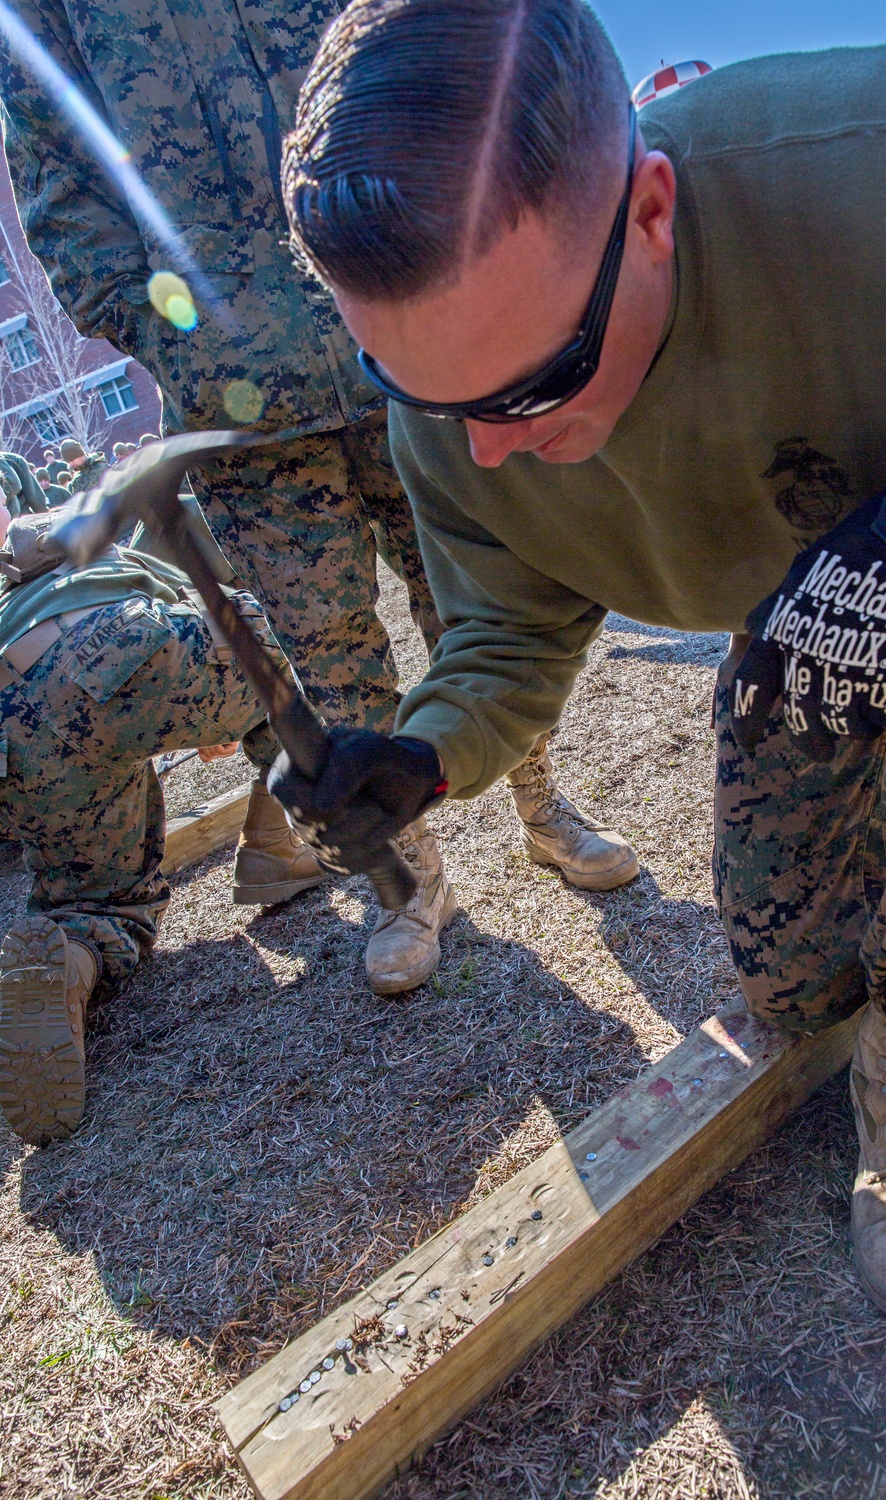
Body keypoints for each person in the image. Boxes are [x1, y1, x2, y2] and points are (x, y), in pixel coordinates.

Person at [276, 6, 886, 1328]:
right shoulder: (457, 416)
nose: (483, 452)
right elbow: (505, 629)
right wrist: (424, 755)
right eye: (424, 393)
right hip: (794, 636)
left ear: (652, 212)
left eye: (532, 386)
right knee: (792, 981)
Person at [0, 0, 638, 995]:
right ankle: (408, 884)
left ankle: (546, 811)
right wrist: (186, 339)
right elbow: (60, 195)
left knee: (475, 601)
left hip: (405, 339)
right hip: (241, 415)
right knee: (325, 653)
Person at [0, 499, 326, 1145]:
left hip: (19, 723)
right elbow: (209, 621)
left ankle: (68, 957)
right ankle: (284, 839)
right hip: (128, 650)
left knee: (99, 899)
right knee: (291, 643)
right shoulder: (123, 548)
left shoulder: (12, 604)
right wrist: (222, 711)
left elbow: (83, 706)